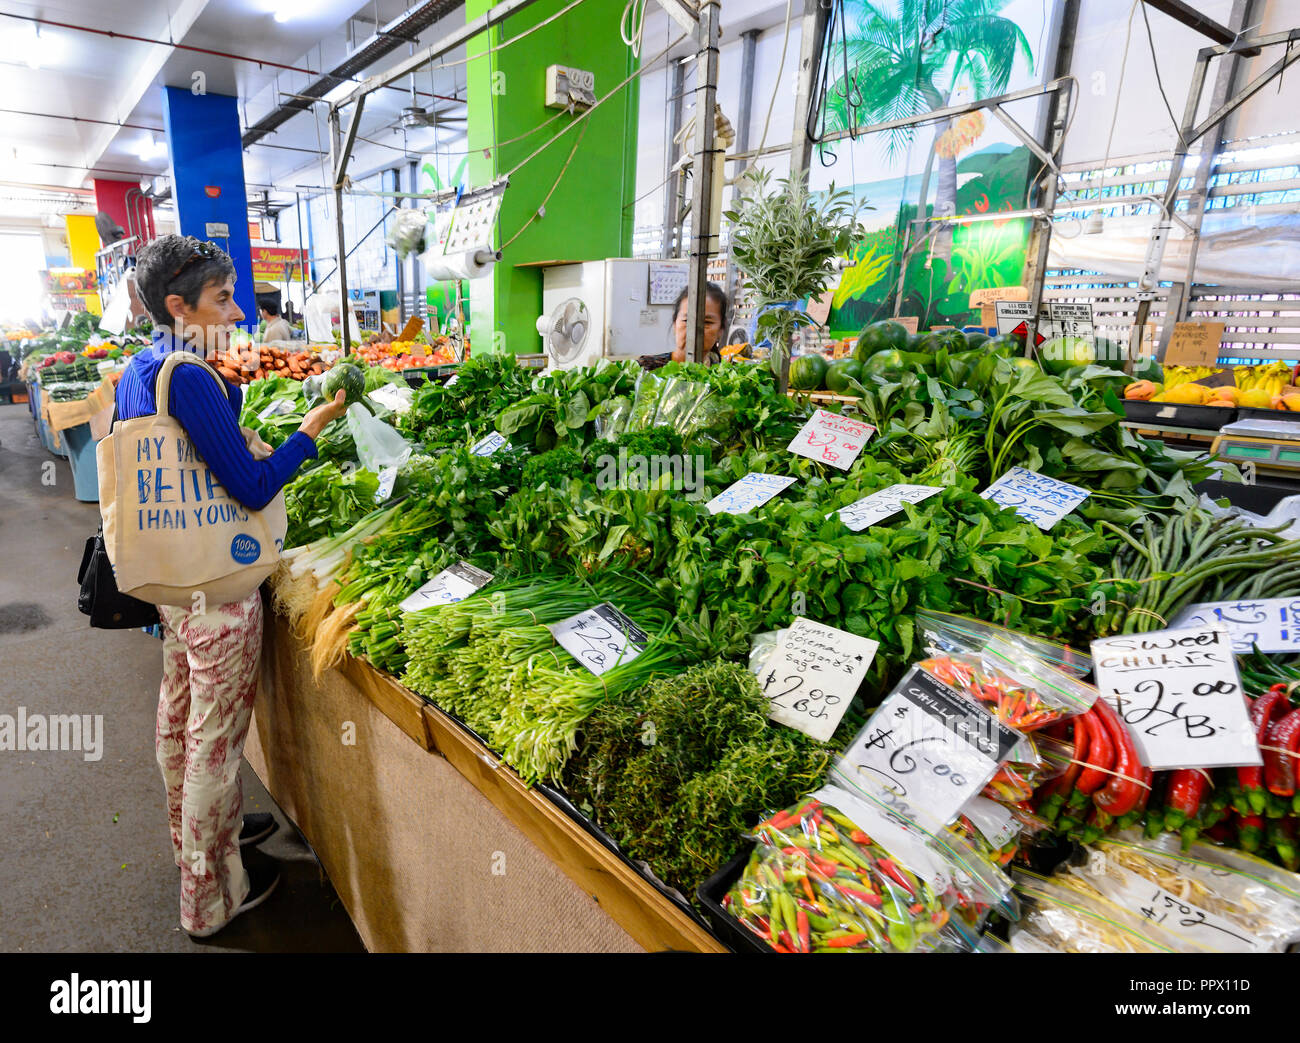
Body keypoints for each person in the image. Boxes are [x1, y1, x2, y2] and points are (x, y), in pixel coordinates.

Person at [113, 235, 347, 939]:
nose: (238, 310)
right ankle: (207, 900)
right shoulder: (187, 375)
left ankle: (190, 840)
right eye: (221, 298)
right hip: (216, 590)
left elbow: (185, 451)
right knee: (217, 740)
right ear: (177, 305)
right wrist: (310, 431)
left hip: (170, 579)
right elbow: (249, 486)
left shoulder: (141, 368)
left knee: (178, 717)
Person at [640, 282, 728, 371]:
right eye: (687, 321)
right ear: (675, 324)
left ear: (721, 330)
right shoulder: (646, 369)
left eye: (707, 322)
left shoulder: (722, 376)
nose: (695, 330)